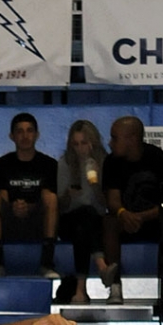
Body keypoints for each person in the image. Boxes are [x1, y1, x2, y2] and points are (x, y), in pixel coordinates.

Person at [102, 116, 163, 303]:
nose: (110, 142)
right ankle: (114, 285)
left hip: (154, 220)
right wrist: (124, 214)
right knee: (108, 221)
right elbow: (112, 201)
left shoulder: (160, 159)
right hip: (125, 220)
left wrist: (142, 216)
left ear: (131, 139)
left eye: (115, 138)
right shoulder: (111, 162)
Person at [0, 112, 60, 279]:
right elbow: (2, 195)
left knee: (51, 198)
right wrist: (14, 207)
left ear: (37, 135)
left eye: (29, 130)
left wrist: (29, 207)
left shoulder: (49, 164)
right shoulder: (2, 164)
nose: (25, 136)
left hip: (37, 221)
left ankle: (47, 263)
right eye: (19, 131)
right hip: (9, 221)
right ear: (12, 136)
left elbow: (48, 195)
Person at [57, 120, 108, 305]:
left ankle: (80, 291)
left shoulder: (104, 162)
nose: (80, 149)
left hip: (94, 222)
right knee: (83, 216)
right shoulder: (65, 163)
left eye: (84, 143)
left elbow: (106, 205)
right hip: (69, 219)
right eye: (75, 144)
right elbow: (60, 207)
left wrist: (95, 186)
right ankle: (101, 264)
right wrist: (68, 195)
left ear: (93, 142)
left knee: (85, 224)